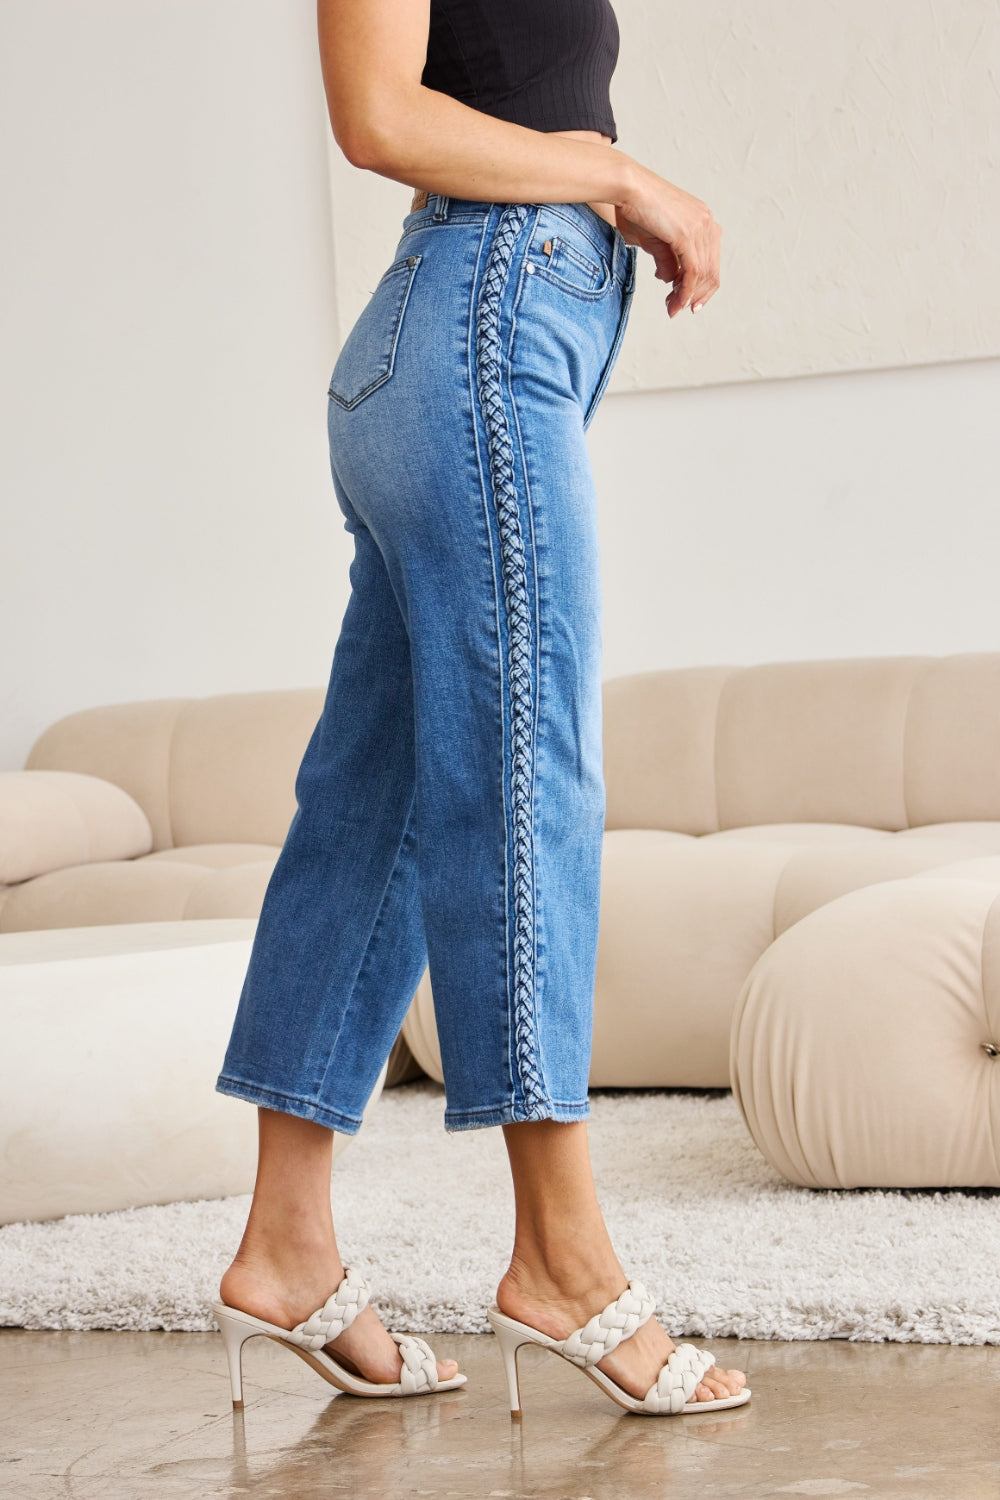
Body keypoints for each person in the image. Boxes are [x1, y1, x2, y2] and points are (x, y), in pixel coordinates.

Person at [211, 0, 749, 1418]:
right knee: (526, 775)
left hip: (471, 330)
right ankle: (565, 1262)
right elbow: (379, 112)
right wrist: (624, 177)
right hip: (483, 318)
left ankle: (285, 1242)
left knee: (374, 805)